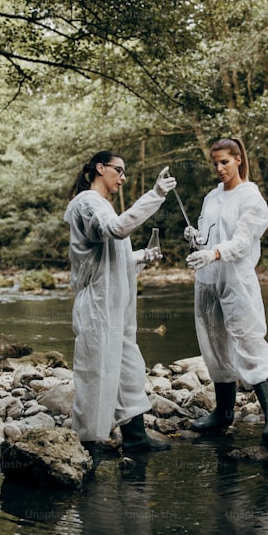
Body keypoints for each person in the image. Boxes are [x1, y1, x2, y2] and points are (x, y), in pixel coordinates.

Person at [64, 151, 177, 452]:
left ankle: (136, 437)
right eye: (119, 170)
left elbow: (114, 256)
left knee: (129, 366)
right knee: (96, 372)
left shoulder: (105, 206)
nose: (123, 178)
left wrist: (141, 256)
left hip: (118, 304)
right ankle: (89, 443)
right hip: (98, 306)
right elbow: (115, 230)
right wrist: (155, 195)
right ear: (100, 169)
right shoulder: (86, 203)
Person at [184, 138, 268, 445]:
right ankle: (224, 413)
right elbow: (208, 236)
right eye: (215, 163)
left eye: (224, 162)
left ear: (238, 159)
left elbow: (241, 241)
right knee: (214, 343)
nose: (219, 168)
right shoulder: (210, 197)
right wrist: (195, 238)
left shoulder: (251, 197)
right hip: (207, 280)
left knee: (248, 339)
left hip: (236, 279)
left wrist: (214, 253)